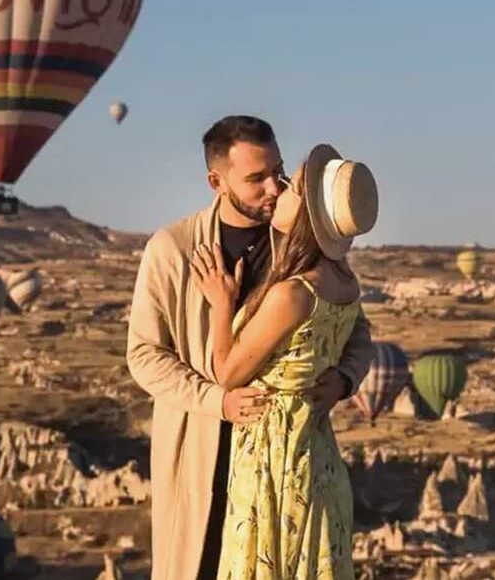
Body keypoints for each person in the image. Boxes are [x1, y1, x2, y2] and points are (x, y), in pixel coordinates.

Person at [127, 116, 376, 580]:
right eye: (256, 178)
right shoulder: (174, 249)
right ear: (216, 181)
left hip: (279, 462)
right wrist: (217, 402)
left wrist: (344, 380)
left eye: (278, 172)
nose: (274, 188)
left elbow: (357, 331)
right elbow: (144, 355)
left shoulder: (297, 246)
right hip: (200, 448)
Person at [192, 143, 378, 579]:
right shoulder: (345, 282)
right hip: (318, 454)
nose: (278, 189)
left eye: (291, 187)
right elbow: (357, 338)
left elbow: (228, 372)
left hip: (275, 459)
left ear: (308, 215)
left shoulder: (292, 293)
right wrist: (342, 380)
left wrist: (222, 304)